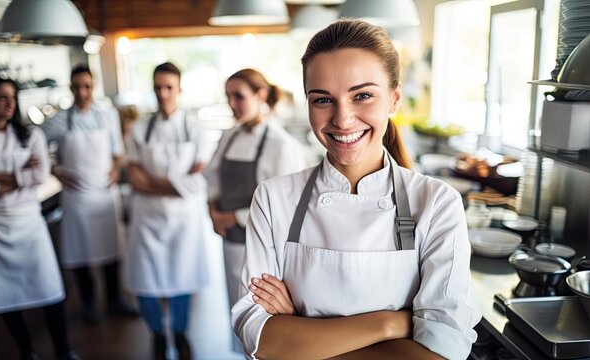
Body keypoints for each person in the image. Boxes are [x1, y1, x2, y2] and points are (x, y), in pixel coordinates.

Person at [231, 19, 481, 359]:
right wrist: (390, 324)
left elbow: (443, 349)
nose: (343, 119)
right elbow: (259, 338)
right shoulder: (274, 199)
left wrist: (300, 331)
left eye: (362, 95)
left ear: (394, 99)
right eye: (322, 100)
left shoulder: (436, 204)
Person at [0, 78, 80, 360]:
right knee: (5, 295)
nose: (10, 103)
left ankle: (64, 350)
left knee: (50, 287)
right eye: (3, 98)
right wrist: (20, 177)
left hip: (29, 222)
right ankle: (28, 351)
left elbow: (40, 176)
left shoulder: (32, 136)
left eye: (13, 97)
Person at [204, 68, 307, 353]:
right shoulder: (230, 136)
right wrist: (212, 207)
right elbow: (211, 176)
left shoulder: (281, 145)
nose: (232, 104)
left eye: (238, 96)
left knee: (262, 323)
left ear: (261, 95)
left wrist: (230, 216)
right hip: (230, 243)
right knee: (237, 313)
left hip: (263, 251)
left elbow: (286, 208)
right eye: (228, 97)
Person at [124, 62, 210, 360]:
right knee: (145, 281)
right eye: (158, 87)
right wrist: (176, 184)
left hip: (183, 222)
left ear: (179, 89)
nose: (163, 93)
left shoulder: (195, 128)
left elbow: (199, 179)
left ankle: (181, 334)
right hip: (147, 218)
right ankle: (158, 334)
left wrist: (153, 183)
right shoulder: (139, 128)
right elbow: (133, 177)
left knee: (182, 278)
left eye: (169, 87)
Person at [41, 65, 137, 323]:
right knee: (80, 252)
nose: (83, 92)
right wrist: (56, 171)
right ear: (71, 89)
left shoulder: (107, 116)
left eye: (87, 86)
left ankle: (115, 301)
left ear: (93, 87)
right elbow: (35, 146)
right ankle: (88, 305)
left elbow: (117, 151)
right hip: (77, 197)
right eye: (77, 87)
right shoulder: (60, 120)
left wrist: (116, 170)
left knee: (111, 249)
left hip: (105, 193)